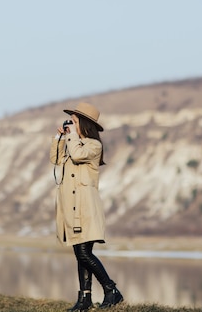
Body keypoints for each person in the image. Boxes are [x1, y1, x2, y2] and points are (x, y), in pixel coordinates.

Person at [50, 102, 123, 311]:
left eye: (73, 122)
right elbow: (55, 159)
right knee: (79, 254)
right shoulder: (72, 143)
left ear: (83, 123)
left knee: (84, 253)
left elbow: (78, 155)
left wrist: (72, 136)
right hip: (71, 208)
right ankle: (85, 299)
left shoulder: (93, 146)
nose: (69, 125)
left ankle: (111, 290)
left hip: (85, 208)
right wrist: (60, 137)